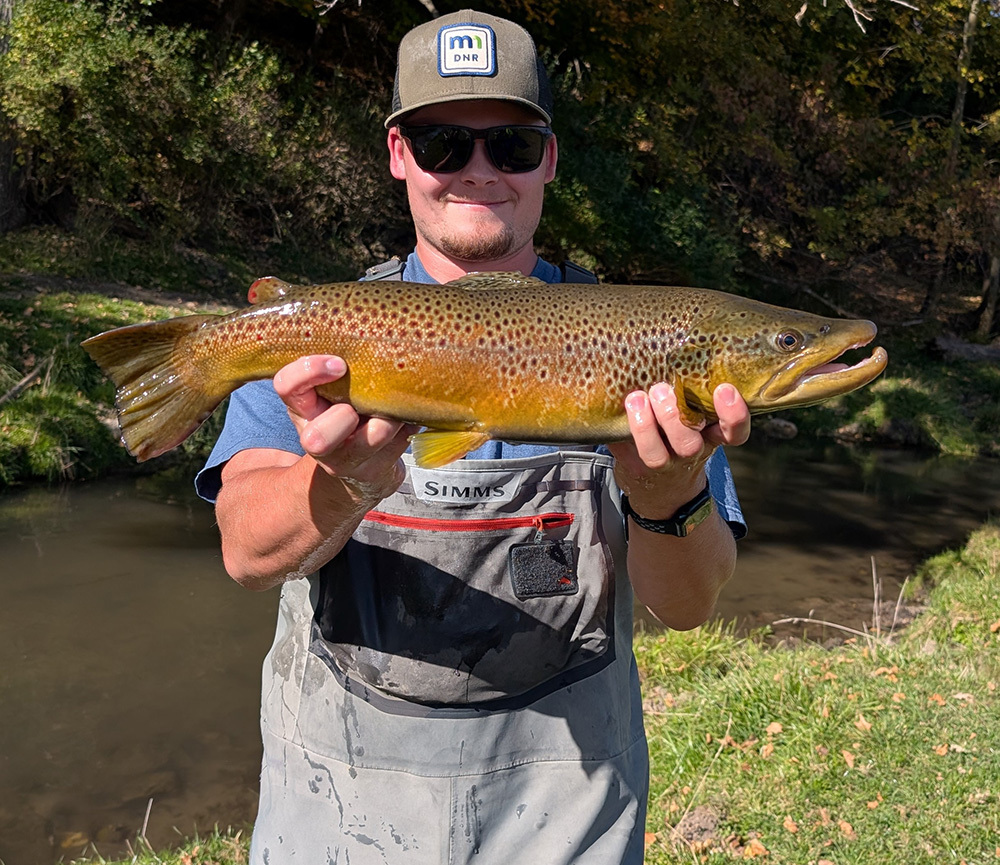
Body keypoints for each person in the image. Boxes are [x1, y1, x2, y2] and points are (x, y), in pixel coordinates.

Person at [196, 9, 750, 864]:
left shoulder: (643, 335)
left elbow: (690, 606)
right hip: (338, 809)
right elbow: (244, 550)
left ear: (551, 159)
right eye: (444, 144)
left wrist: (668, 494)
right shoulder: (333, 335)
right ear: (398, 157)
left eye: (513, 146)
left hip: (568, 809)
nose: (478, 172)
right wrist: (342, 481)